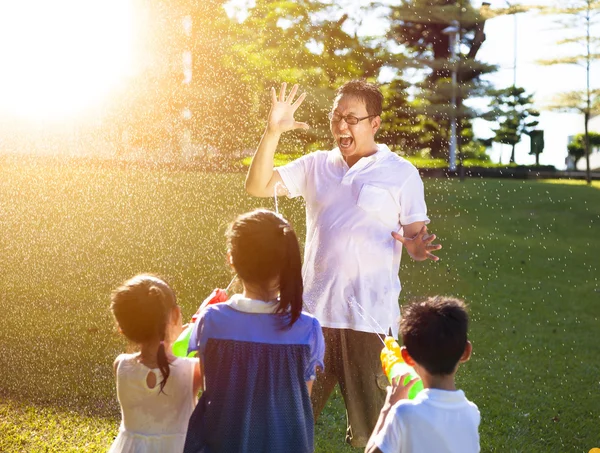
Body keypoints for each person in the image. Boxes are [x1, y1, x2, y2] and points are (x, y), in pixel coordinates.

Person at [245, 80, 442, 447]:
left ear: (375, 124)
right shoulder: (317, 165)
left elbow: (415, 235)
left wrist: (416, 248)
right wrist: (272, 132)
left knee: (378, 435)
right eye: (337, 117)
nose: (341, 127)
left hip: (370, 323)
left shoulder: (401, 173)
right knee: (284, 424)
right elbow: (257, 185)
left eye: (352, 118)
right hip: (312, 320)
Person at [183, 209, 325, 453]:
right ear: (288, 262)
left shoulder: (212, 321)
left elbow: (211, 387)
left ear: (231, 259)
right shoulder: (307, 329)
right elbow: (301, 401)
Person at [365, 296, 480, 453]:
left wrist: (389, 407)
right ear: (466, 352)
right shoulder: (471, 414)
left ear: (406, 357)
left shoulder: (404, 413)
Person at [109, 274, 202, 453]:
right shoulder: (193, 370)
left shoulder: (120, 365)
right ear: (176, 315)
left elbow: (158, 354)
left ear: (122, 328)